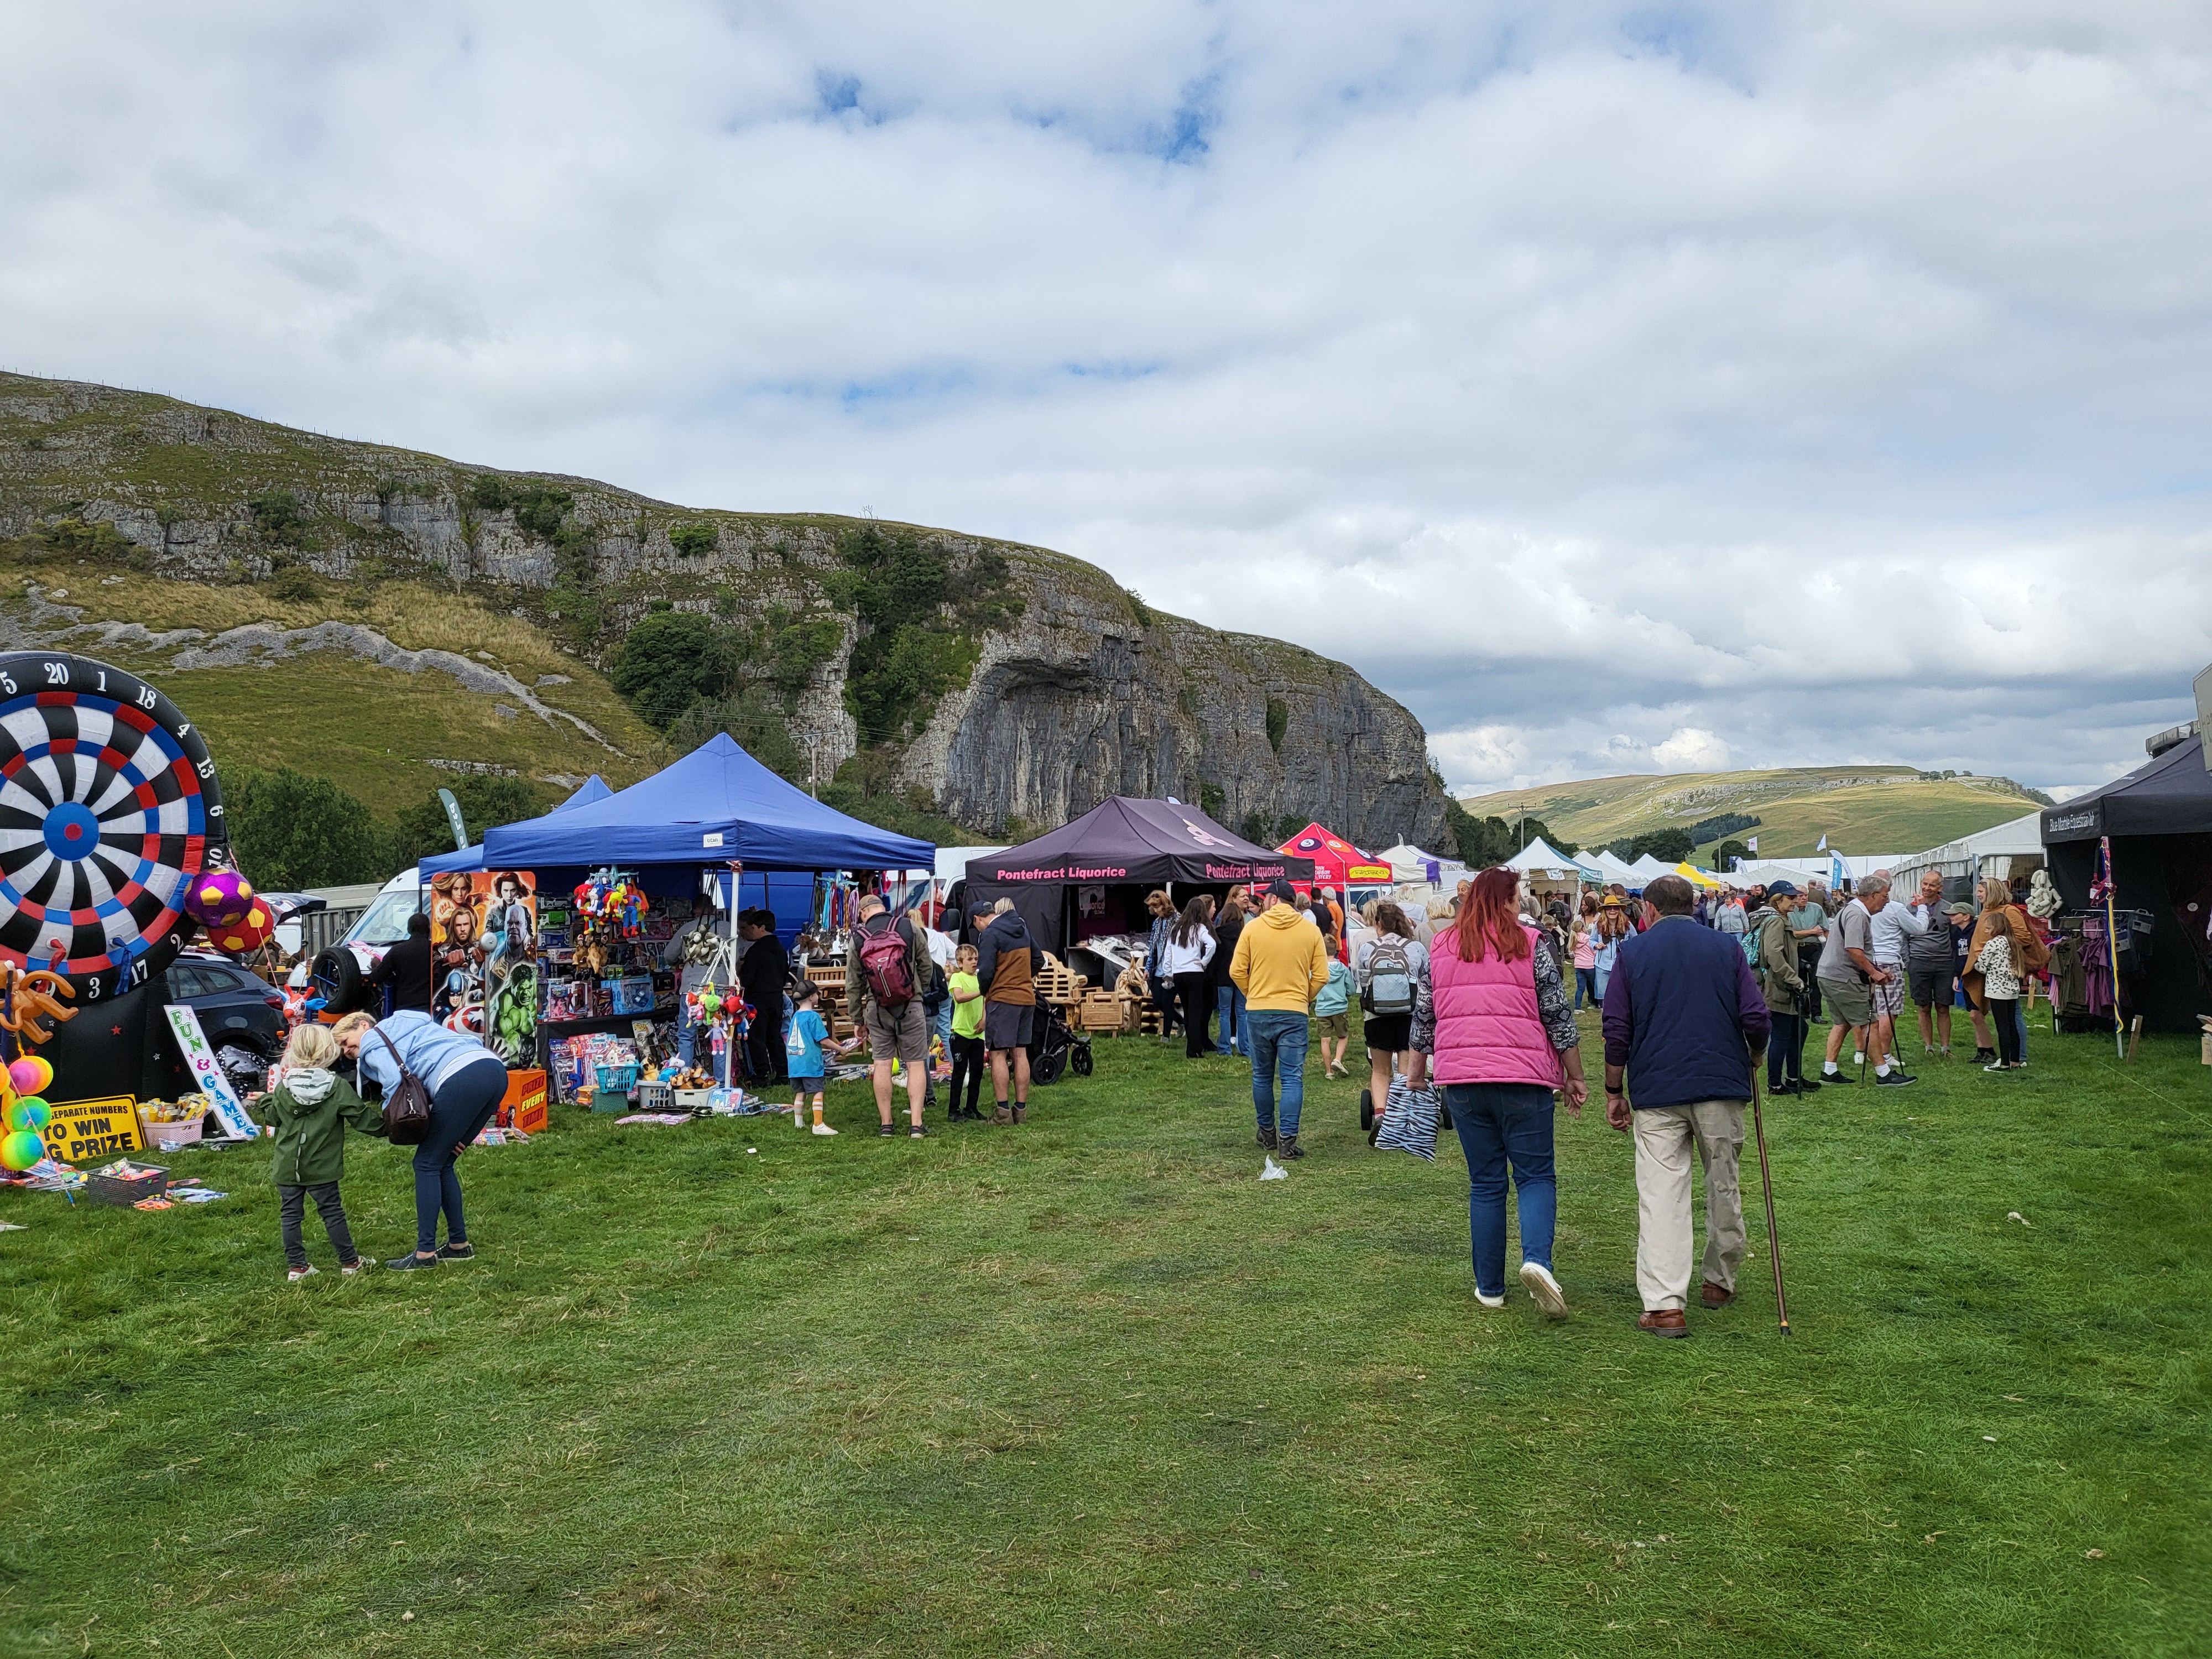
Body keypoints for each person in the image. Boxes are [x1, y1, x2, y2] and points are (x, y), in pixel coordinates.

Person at [1600, 874, 1771, 1337]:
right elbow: (1755, 1016)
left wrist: (1614, 1091)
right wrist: (1755, 1054)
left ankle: (1663, 1305)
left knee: (1661, 1195)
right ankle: (1720, 1280)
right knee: (1724, 1183)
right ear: (1693, 906)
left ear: (1649, 911)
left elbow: (1617, 1029)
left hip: (1657, 1091)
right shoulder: (1726, 948)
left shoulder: (1633, 953)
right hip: (1720, 1083)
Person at [1415, 866, 1587, 1314]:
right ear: (1507, 901)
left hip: (1463, 1081)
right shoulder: (1532, 944)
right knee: (1534, 1176)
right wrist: (1576, 1076)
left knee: (1486, 1183)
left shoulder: (1441, 946)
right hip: (1523, 1079)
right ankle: (1536, 1262)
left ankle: (1489, 1286)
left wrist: (1415, 1074)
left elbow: (1424, 1018)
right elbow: (1557, 1016)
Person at [334, 1006, 512, 1271]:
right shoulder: (411, 1025)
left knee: (426, 1164)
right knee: (443, 1161)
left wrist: (390, 1118)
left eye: (345, 1042)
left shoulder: (373, 1038)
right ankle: (458, 1245)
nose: (346, 1051)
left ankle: (425, 1253)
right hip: (493, 1070)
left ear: (362, 1025)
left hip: (460, 1077)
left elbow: (395, 1083)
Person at [259, 1022, 384, 1281]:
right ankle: (350, 1263)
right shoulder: (336, 1087)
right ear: (329, 1051)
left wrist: (264, 1099)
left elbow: (273, 1117)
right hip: (322, 1166)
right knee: (332, 1212)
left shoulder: (284, 1087)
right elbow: (362, 1119)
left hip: (287, 1166)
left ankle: (297, 1267)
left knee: (290, 1214)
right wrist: (393, 1127)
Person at [1229, 879, 1331, 1158]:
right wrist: (1302, 997)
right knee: (1291, 1077)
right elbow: (1322, 976)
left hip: (1259, 1010)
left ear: (1273, 900)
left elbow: (1237, 970)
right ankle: (1288, 1140)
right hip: (1294, 1012)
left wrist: (1254, 994)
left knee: (1262, 1075)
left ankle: (1267, 1133)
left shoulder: (1252, 929)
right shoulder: (1310, 932)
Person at [845, 894, 932, 1138]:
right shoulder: (909, 927)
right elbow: (926, 966)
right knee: (916, 1064)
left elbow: (853, 984)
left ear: (863, 913)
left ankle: (886, 1125)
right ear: (884, 909)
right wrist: (916, 992)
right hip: (910, 1004)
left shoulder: (858, 938)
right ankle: (916, 1124)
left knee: (882, 1065)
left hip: (877, 1008)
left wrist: (857, 1019)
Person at [1813, 875, 1912, 1088]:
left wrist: (1876, 970)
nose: (1887, 901)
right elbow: (1853, 950)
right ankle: (1883, 1073)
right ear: (1874, 895)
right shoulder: (1857, 915)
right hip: (1842, 978)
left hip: (1829, 975)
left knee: (1843, 1022)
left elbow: (1854, 951)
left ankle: (1829, 1070)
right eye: (1885, 896)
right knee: (1870, 1023)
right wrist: (1875, 974)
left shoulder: (1852, 911)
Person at [1354, 900, 1429, 1130]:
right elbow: (1428, 980)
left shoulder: (1368, 948)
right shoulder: (1415, 948)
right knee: (1405, 1071)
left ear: (1378, 924)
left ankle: (1380, 1115)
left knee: (1380, 1070)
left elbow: (1361, 983)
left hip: (1377, 1016)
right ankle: (1403, 1117)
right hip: (1409, 1015)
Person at [1964, 880, 2045, 1073]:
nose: (1978, 895)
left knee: (2009, 1020)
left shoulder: (2008, 912)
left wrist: (1993, 950)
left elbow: (2023, 937)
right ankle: (2013, 1058)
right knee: (2007, 1018)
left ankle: (2013, 1059)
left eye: (1981, 891)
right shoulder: (1987, 911)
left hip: (1998, 981)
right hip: (2004, 980)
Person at [975, 898, 1039, 1124]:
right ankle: (1020, 1112)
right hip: (1026, 999)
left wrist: (986, 991)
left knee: (998, 1054)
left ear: (978, 920)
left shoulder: (990, 934)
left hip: (1002, 1000)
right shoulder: (1022, 928)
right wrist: (1021, 978)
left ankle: (1003, 1113)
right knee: (1020, 1053)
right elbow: (1039, 960)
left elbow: (985, 972)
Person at [1751, 881, 1817, 1095]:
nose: (1795, 900)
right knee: (1782, 1034)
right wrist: (1794, 980)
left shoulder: (1779, 919)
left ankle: (1792, 1078)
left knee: (1799, 1030)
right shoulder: (1776, 922)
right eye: (1790, 897)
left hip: (1781, 983)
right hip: (1778, 986)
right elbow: (1774, 955)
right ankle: (1775, 1084)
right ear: (1778, 900)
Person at [1865, 872, 1928, 1078]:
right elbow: (1919, 929)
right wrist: (1923, 908)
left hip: (1867, 961)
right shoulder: (1894, 907)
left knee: (1870, 1011)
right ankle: (1883, 1054)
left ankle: (1863, 1052)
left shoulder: (1859, 908)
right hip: (1889, 962)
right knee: (1888, 1012)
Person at [662, 902, 732, 1067]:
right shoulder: (729, 928)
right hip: (719, 990)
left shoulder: (688, 928)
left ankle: (685, 1079)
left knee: (686, 1037)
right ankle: (722, 1084)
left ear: (695, 911)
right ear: (714, 909)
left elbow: (669, 955)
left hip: (691, 990)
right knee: (719, 1036)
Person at [1902, 872, 1957, 1057]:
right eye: (1925, 884)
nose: (1927, 888)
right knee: (1923, 1006)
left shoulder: (1949, 909)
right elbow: (1904, 938)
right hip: (1918, 963)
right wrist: (1909, 962)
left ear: (1940, 888)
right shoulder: (1910, 909)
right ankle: (1928, 1047)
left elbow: (1954, 937)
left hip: (1944, 964)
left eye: (1932, 885)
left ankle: (1945, 1047)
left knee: (1943, 1006)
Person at [1156, 895, 1217, 1059]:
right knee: (1196, 1012)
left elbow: (1168, 952)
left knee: (1188, 1010)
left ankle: (1192, 1047)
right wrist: (1204, 962)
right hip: (1195, 973)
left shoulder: (1176, 929)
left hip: (1179, 975)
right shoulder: (1200, 929)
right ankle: (1194, 1048)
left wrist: (1168, 973)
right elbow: (1212, 944)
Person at [737, 910, 790, 1084]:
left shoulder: (756, 951)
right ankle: (782, 1072)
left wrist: (741, 970)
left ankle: (762, 1075)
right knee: (774, 1036)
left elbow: (748, 978)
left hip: (758, 1000)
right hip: (776, 998)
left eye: (753, 927)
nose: (751, 931)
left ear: (762, 927)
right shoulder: (781, 949)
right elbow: (785, 974)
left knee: (757, 1037)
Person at [946, 942, 987, 1121]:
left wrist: (984, 1019)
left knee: (977, 1072)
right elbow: (959, 997)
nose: (974, 962)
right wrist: (980, 992)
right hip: (961, 1032)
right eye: (970, 959)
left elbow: (985, 1001)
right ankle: (953, 1110)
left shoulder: (979, 979)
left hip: (977, 1033)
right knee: (960, 1072)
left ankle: (972, 1107)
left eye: (976, 959)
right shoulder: (958, 978)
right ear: (960, 963)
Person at [367, 912, 435, 1014]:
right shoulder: (436, 950)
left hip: (405, 1009)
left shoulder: (397, 950)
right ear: (429, 930)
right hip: (432, 1009)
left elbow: (376, 977)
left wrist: (375, 966)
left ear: (408, 930)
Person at [1312, 932, 1355, 1078]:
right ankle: (1338, 1059)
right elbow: (1352, 989)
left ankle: (1328, 1072)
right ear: (1336, 949)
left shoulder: (1317, 970)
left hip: (1322, 1009)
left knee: (1325, 1040)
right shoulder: (1343, 969)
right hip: (1339, 1008)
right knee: (1343, 1036)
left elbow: (1311, 987)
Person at [1209, 893, 1248, 1057]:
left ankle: (1224, 1048)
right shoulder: (1244, 935)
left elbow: (1215, 960)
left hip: (1223, 978)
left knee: (1224, 1013)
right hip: (1241, 976)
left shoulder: (1218, 935)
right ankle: (1245, 1048)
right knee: (1242, 1013)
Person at [1144, 890, 1180, 1041]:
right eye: (1153, 907)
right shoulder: (1157, 923)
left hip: (1172, 968)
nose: (1156, 910)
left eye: (1157, 907)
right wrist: (1147, 968)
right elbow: (1152, 946)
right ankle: (1183, 1022)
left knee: (1167, 1002)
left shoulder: (1177, 920)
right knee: (1158, 1001)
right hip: (1158, 969)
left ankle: (1166, 1036)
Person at [1592, 898, 1631, 1003]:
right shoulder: (1598, 925)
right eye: (1609, 908)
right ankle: (1605, 1016)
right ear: (1605, 910)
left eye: (1616, 908)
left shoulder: (1627, 925)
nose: (1612, 910)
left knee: (1621, 994)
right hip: (1602, 965)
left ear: (1620, 910)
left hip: (1621, 964)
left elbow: (1636, 941)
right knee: (1603, 996)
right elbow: (1592, 940)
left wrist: (1626, 945)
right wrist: (1596, 945)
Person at [1570, 894, 1600, 1010]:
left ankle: (1592, 1001)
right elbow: (1573, 936)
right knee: (1591, 981)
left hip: (1590, 954)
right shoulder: (1579, 919)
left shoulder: (1599, 918)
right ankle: (1594, 1001)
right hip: (1590, 957)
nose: (1583, 907)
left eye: (1585, 905)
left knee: (1585, 984)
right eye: (1582, 905)